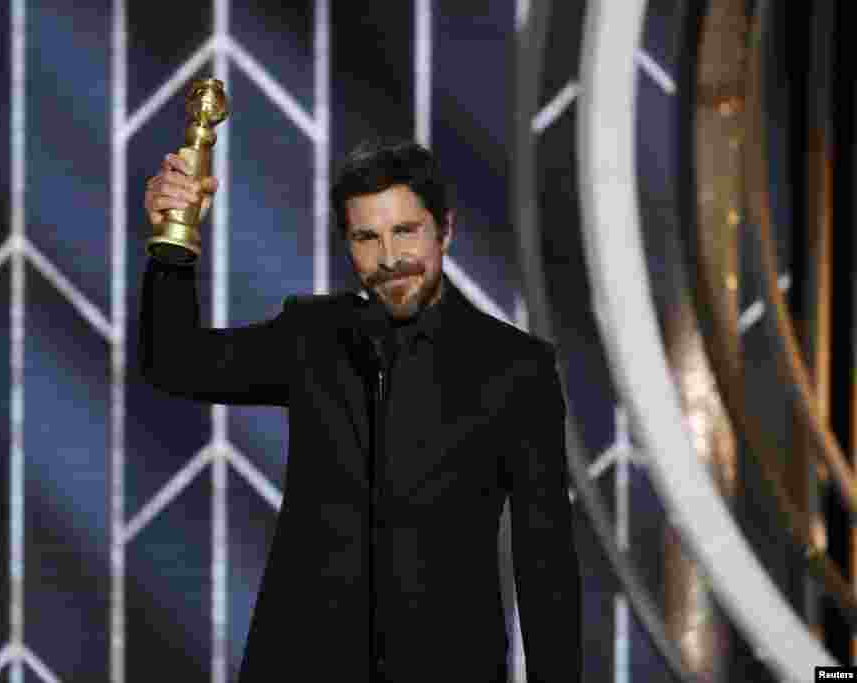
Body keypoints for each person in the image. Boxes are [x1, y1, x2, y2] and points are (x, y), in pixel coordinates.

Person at [140, 138, 581, 683]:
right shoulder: (313, 338)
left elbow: (546, 561)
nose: (390, 258)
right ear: (346, 245)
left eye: (406, 231)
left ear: (446, 230)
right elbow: (174, 363)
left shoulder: (516, 368)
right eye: (367, 237)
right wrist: (173, 240)